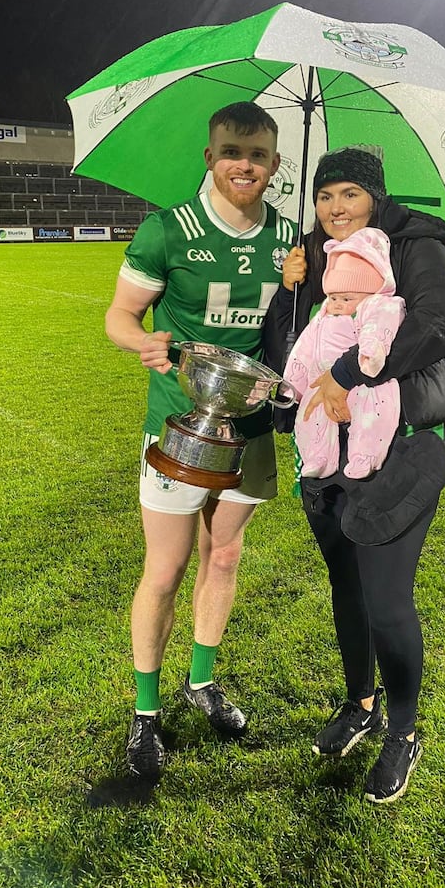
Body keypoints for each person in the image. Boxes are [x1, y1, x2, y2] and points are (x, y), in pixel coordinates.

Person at [263, 147, 445, 805]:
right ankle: (361, 703)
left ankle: (403, 732)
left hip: (403, 448)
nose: (334, 208)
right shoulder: (314, 256)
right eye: (325, 197)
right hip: (327, 452)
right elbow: (286, 356)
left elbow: (439, 324)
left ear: (375, 197)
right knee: (346, 591)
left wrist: (351, 374)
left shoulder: (417, 246)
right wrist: (288, 290)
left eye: (348, 194)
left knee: (386, 601)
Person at [105, 101, 294, 781]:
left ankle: (202, 680)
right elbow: (120, 317)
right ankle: (146, 712)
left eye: (260, 154)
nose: (246, 164)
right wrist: (145, 342)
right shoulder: (166, 231)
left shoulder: (292, 240)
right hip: (180, 425)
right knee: (166, 569)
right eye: (233, 151)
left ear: (275, 164)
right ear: (210, 158)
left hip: (254, 425)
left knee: (226, 557)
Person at [283, 226, 405, 479]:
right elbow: (305, 345)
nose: (337, 304)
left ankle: (365, 456)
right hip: (322, 379)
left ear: (370, 293)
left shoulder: (379, 305)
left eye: (346, 298)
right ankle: (317, 456)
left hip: (365, 378)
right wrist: (293, 380)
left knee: (375, 412)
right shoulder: (326, 313)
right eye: (334, 297)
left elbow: (378, 327)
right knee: (310, 413)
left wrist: (370, 350)